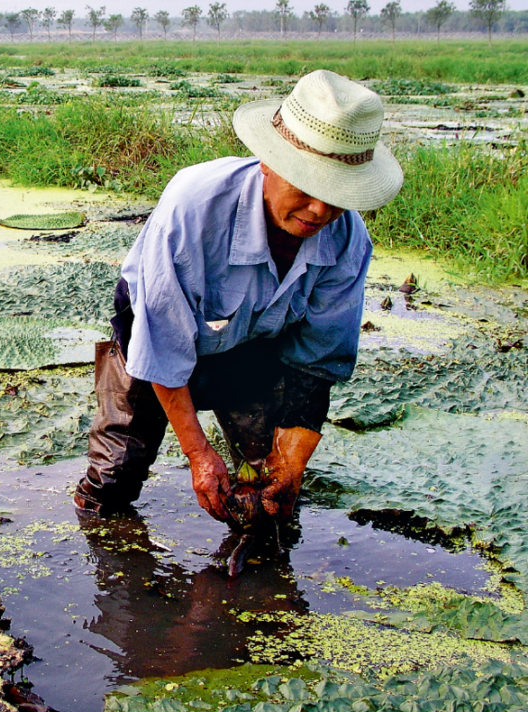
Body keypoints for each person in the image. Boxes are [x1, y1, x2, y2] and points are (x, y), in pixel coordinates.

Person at [74, 69, 403, 522]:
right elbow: (162, 347)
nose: (320, 211)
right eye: (307, 187)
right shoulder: (194, 207)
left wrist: (291, 464)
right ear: (268, 161)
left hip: (254, 351)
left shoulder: (346, 241)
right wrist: (198, 456)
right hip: (150, 342)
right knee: (113, 483)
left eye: (337, 194)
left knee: (268, 492)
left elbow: (315, 363)